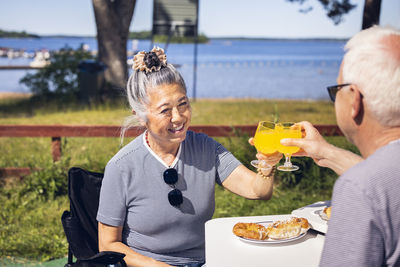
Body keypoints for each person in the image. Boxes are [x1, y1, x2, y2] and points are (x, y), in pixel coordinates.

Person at [96, 47, 281, 267]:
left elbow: (257, 190)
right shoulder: (121, 166)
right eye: (165, 110)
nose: (178, 117)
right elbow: (107, 244)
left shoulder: (205, 147)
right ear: (141, 117)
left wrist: (267, 165)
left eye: (183, 104)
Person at [277, 26, 400, 266]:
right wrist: (326, 153)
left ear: (354, 99)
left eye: (337, 89)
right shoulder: (378, 181)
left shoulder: (360, 189)